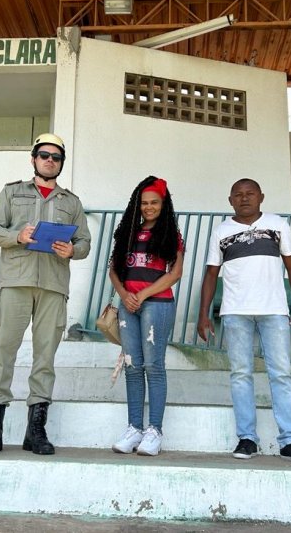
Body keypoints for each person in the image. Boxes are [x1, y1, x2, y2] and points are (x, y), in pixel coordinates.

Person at [0, 133, 91, 457]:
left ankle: (35, 430)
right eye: (44, 155)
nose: (50, 160)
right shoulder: (12, 192)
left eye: (56, 157)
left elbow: (85, 243)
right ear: (34, 158)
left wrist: (72, 250)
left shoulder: (71, 202)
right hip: (15, 283)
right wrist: (17, 235)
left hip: (53, 286)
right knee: (3, 354)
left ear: (61, 163)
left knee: (45, 359)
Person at [197, 178, 291, 463]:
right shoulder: (221, 231)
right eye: (238, 194)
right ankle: (247, 438)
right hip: (235, 311)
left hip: (274, 310)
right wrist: (203, 315)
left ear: (261, 196)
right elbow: (211, 274)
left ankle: (290, 440)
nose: (244, 198)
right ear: (230, 200)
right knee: (240, 375)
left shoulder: (277, 224)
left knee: (281, 374)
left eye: (250, 194)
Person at [108, 176, 184, 457]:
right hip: (129, 304)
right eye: (144, 203)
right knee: (132, 365)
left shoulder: (171, 235)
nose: (149, 207)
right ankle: (134, 428)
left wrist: (142, 294)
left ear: (164, 205)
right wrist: (125, 294)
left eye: (154, 202)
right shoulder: (128, 233)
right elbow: (114, 270)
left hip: (157, 304)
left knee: (154, 365)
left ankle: (154, 430)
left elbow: (175, 274)